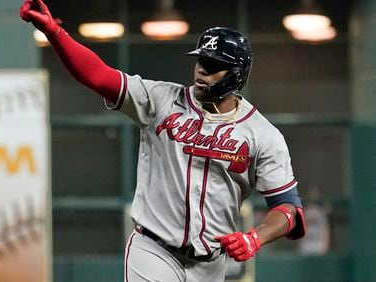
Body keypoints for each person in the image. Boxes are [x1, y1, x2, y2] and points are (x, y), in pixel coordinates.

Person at [20, 1, 306, 281]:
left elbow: (287, 209)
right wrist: (55, 34)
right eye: (201, 61)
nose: (202, 70)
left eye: (214, 65)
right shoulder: (160, 100)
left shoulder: (262, 135)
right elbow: (98, 76)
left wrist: (256, 238)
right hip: (154, 251)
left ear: (237, 74)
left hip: (211, 264)